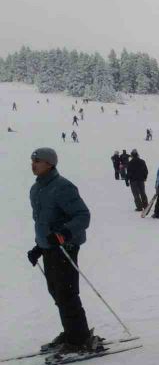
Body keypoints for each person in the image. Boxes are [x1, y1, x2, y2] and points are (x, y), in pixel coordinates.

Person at [27, 147, 102, 354]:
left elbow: (82, 216)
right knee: (57, 292)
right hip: (49, 248)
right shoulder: (37, 189)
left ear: (50, 163)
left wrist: (63, 234)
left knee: (66, 292)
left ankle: (79, 339)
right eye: (32, 161)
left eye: (38, 161)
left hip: (65, 247)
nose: (33, 165)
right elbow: (43, 223)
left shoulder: (63, 187)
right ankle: (72, 331)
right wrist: (39, 247)